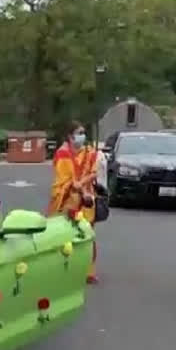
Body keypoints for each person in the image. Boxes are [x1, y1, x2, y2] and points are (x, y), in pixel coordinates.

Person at [47, 120, 99, 284]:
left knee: (88, 235)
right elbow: (64, 178)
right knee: (64, 236)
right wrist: (74, 186)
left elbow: (94, 172)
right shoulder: (62, 154)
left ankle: (88, 271)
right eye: (79, 133)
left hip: (86, 200)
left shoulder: (89, 152)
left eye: (83, 133)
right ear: (70, 136)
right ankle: (62, 269)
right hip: (66, 199)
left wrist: (82, 186)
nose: (82, 136)